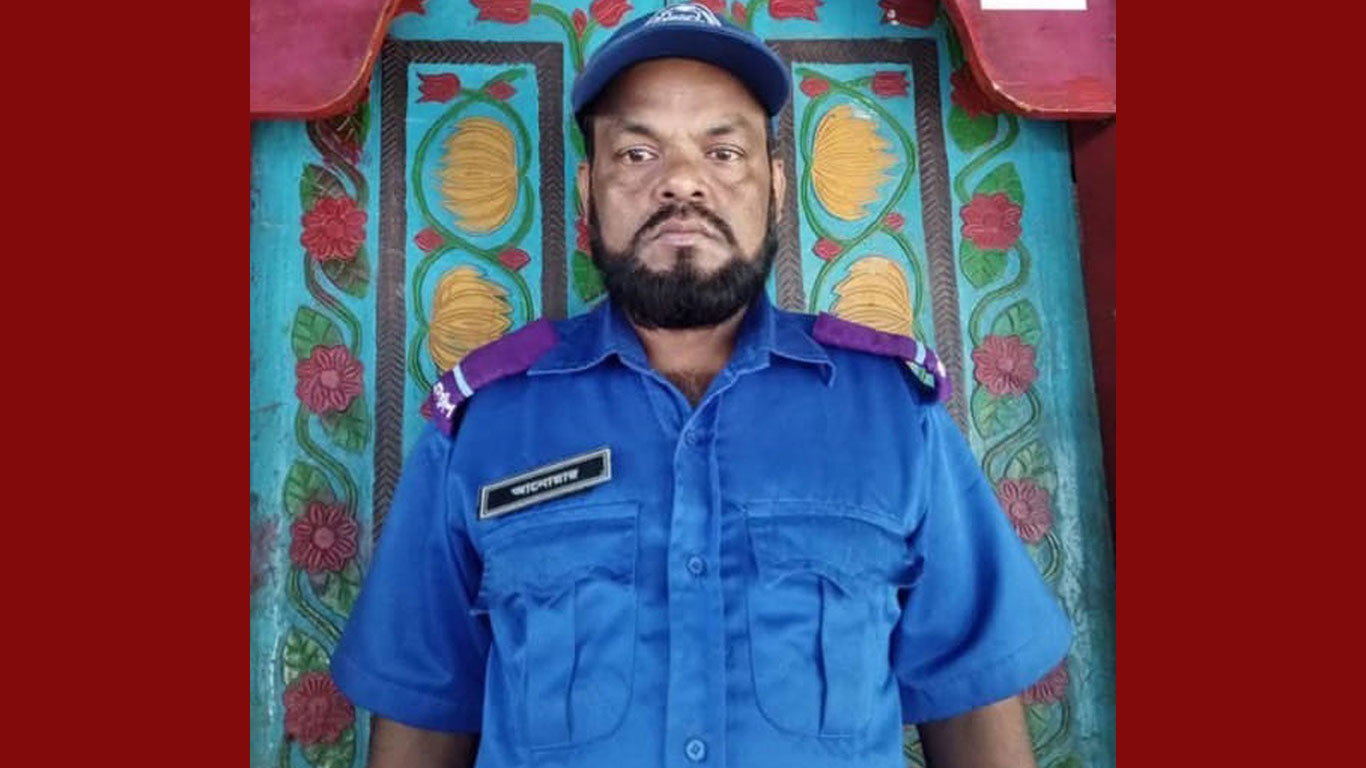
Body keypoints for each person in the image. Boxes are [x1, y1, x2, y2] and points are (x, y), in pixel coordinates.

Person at [331, 4, 1071, 767]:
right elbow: (421, 726)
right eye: (637, 153)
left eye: (723, 151)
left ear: (775, 186)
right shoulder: (485, 425)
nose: (681, 182)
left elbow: (974, 714)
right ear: (588, 191)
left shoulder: (892, 416)